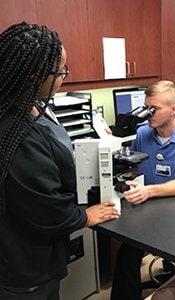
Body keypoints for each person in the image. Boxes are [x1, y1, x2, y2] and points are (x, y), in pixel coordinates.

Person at [0, 22, 120, 300]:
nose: (63, 77)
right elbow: (43, 207)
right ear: (34, 75)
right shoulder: (17, 134)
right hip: (24, 269)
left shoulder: (29, 106)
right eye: (59, 71)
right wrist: (86, 216)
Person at [110, 80, 175, 300]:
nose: (148, 113)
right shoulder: (143, 133)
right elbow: (129, 165)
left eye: (154, 109)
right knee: (126, 253)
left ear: (174, 110)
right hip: (149, 210)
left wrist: (149, 191)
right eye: (146, 107)